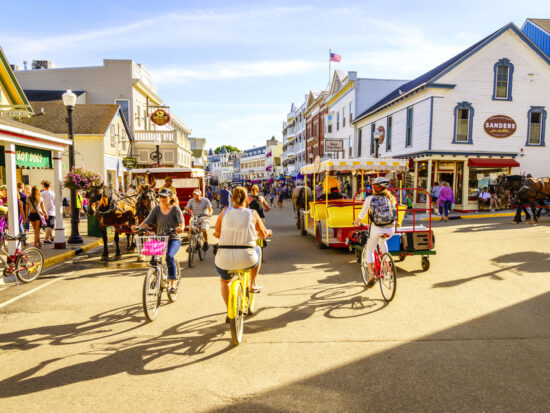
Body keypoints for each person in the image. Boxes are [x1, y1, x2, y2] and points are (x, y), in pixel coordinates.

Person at [214, 186, 272, 320]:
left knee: (224, 281)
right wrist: (268, 232)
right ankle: (252, 284)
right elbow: (263, 234)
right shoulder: (253, 213)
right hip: (247, 258)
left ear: (232, 199)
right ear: (247, 200)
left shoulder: (224, 211)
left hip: (224, 259)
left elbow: (217, 233)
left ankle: (230, 310)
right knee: (257, 248)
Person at [133, 188, 184, 294]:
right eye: (160, 196)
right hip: (160, 237)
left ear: (170, 197)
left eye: (164, 197)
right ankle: (156, 278)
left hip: (173, 238)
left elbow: (181, 223)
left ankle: (172, 284)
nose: (161, 198)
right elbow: (146, 222)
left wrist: (180, 228)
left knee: (169, 257)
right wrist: (138, 227)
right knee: (153, 260)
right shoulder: (156, 209)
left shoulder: (175, 209)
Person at [353, 177, 396, 288]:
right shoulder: (391, 198)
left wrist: (356, 222)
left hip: (377, 228)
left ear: (375, 188)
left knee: (370, 249)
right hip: (391, 229)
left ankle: (371, 275)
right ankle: (386, 264)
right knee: (383, 240)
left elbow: (362, 214)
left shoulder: (370, 199)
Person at [40, 180, 55, 244]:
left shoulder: (41, 194)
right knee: (50, 226)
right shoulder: (52, 193)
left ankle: (51, 237)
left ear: (44, 186)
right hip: (51, 211)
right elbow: (55, 202)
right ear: (50, 186)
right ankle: (46, 239)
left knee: (49, 225)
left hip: (43, 211)